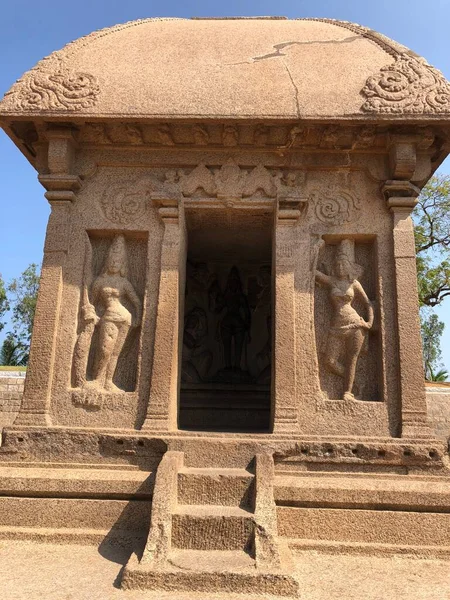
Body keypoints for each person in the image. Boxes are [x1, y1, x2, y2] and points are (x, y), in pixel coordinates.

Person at [81, 235, 141, 392]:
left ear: (122, 264)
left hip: (125, 319)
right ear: (107, 261)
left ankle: (108, 381)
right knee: (104, 350)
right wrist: (92, 315)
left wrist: (137, 317)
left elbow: (136, 301)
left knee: (115, 353)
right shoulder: (99, 282)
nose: (115, 263)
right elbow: (91, 302)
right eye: (112, 260)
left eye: (118, 261)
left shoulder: (124, 283)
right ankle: (96, 379)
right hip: (108, 318)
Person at [315, 239, 373, 400]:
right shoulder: (332, 281)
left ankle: (348, 392)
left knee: (351, 359)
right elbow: (315, 273)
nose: (340, 267)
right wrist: (317, 249)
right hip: (336, 324)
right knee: (330, 361)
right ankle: (356, 381)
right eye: (338, 264)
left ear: (348, 266)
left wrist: (368, 323)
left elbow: (368, 303)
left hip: (355, 323)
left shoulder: (354, 283)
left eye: (343, 264)